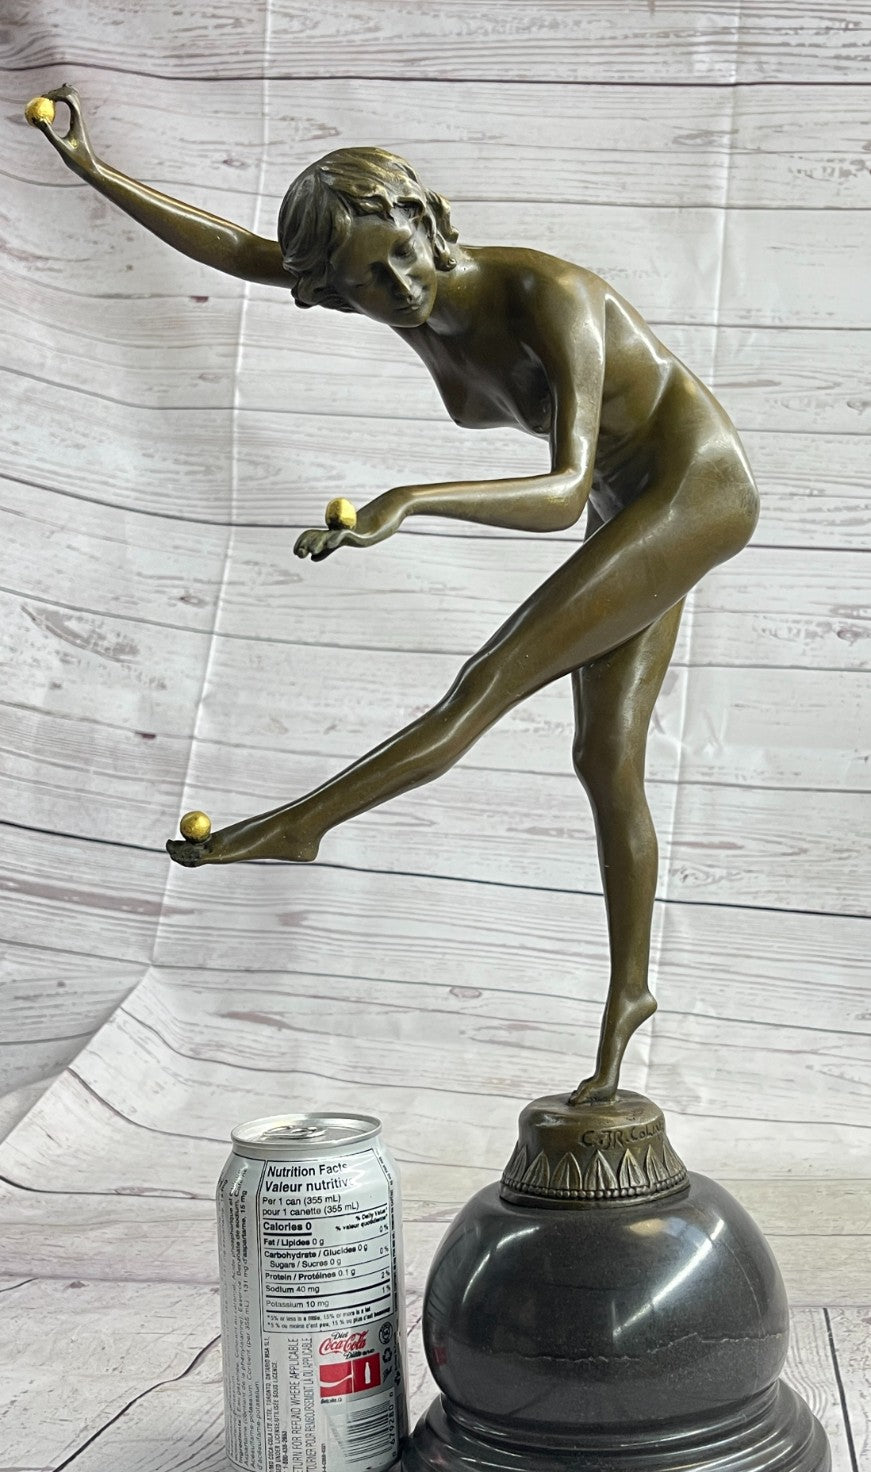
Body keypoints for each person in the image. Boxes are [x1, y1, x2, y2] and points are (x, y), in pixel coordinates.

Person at [32, 85, 759, 1102]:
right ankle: (631, 990)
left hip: (693, 489)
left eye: (404, 253)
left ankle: (304, 824)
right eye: (367, 281)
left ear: (427, 219)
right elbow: (243, 253)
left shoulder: (546, 295)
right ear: (335, 291)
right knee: (603, 756)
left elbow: (561, 494)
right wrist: (93, 169)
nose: (400, 285)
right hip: (629, 503)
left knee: (483, 682)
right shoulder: (381, 298)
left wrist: (407, 501)